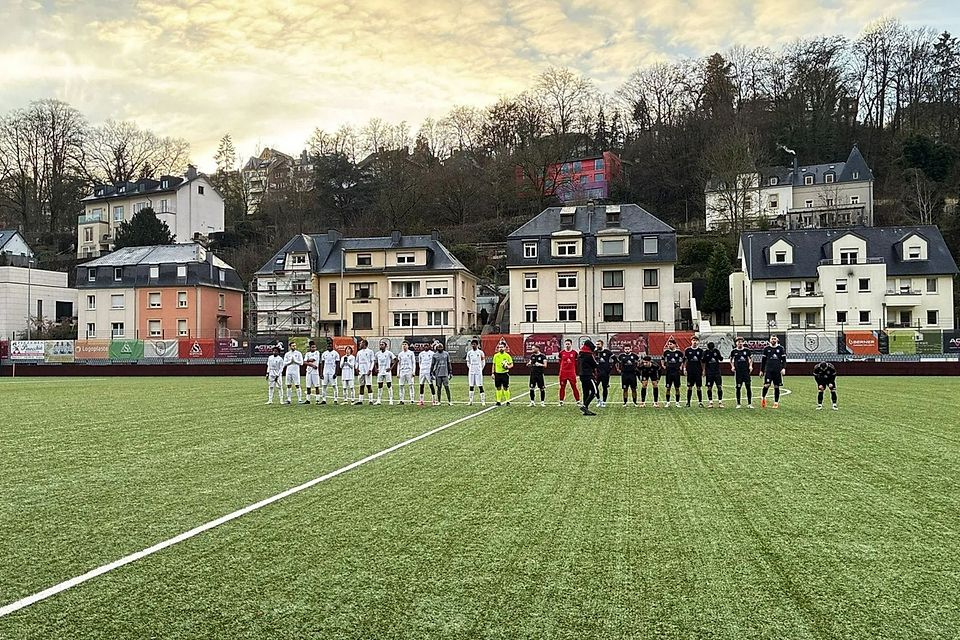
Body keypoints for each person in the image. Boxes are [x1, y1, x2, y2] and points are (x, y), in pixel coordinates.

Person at [760, 335, 786, 409]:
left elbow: (783, 360)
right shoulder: (766, 349)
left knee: (776, 387)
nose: (773, 340)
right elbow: (763, 361)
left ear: (777, 340)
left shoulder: (781, 349)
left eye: (775, 339)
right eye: (772, 339)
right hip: (768, 370)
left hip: (777, 371)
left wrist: (783, 368)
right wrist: (761, 370)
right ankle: (763, 398)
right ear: (770, 340)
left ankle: (776, 403)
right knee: (767, 385)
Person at [729, 336, 754, 409]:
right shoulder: (734, 351)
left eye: (741, 342)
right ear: (736, 343)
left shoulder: (747, 350)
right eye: (738, 342)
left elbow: (751, 358)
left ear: (743, 342)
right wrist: (732, 366)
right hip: (738, 372)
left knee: (748, 387)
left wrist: (750, 366)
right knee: (738, 387)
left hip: (746, 371)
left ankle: (749, 403)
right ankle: (738, 403)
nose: (740, 343)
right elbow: (731, 359)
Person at [683, 336, 705, 408]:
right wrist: (684, 368)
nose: (695, 342)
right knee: (689, 387)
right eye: (693, 340)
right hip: (690, 371)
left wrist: (703, 370)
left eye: (696, 340)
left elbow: (702, 362)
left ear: (698, 342)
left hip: (698, 371)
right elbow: (685, 360)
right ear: (691, 341)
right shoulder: (687, 350)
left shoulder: (701, 351)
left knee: (699, 387)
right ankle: (688, 402)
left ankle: (700, 402)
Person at [578, 340, 598, 416]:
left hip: (582, 375)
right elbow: (595, 365)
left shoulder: (580, 354)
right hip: (588, 375)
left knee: (585, 392)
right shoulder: (589, 355)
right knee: (594, 391)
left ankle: (586, 410)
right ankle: (584, 406)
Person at [558, 339, 581, 406]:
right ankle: (561, 401)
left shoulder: (575, 353)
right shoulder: (562, 353)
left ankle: (578, 401)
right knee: (562, 387)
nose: (567, 345)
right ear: (565, 345)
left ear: (571, 344)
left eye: (568, 344)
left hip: (571, 372)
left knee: (574, 386)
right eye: (566, 344)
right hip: (563, 372)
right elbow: (560, 361)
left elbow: (577, 362)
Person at [662, 338, 683, 407]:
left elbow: (682, 360)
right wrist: (663, 365)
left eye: (670, 344)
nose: (669, 345)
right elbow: (662, 359)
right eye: (668, 344)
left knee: (677, 388)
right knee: (668, 388)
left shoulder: (679, 353)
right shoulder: (666, 352)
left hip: (676, 372)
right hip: (669, 372)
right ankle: (668, 402)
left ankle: (677, 402)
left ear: (675, 345)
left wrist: (681, 366)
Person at [374, 340, 396, 405]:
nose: (381, 346)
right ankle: (378, 400)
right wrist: (375, 368)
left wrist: (391, 368)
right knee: (379, 386)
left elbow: (396, 360)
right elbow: (374, 361)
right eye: (380, 345)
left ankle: (391, 400)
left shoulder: (389, 353)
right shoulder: (377, 353)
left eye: (382, 345)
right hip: (380, 372)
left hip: (387, 372)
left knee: (389, 385)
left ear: (386, 346)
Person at [703, 340, 725, 408]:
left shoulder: (716, 351)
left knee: (719, 386)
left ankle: (720, 402)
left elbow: (721, 359)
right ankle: (710, 402)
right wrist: (704, 371)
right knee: (709, 387)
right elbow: (703, 361)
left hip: (717, 372)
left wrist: (719, 356)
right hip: (709, 372)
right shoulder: (705, 352)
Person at [466, 339, 487, 406]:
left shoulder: (480, 352)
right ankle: (470, 401)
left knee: (480, 385)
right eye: (472, 344)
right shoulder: (469, 353)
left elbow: (483, 362)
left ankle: (483, 401)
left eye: (474, 344)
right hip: (471, 371)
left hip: (478, 371)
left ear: (477, 345)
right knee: (471, 386)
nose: (473, 345)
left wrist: (480, 368)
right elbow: (468, 361)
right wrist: (470, 367)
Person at [355, 339, 376, 405]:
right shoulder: (359, 352)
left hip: (367, 371)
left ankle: (371, 400)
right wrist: (356, 368)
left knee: (368, 385)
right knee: (361, 385)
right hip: (361, 371)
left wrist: (370, 369)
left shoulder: (370, 351)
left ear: (364, 344)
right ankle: (360, 400)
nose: (360, 344)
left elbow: (373, 361)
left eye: (361, 343)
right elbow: (357, 361)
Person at [283, 340, 304, 405]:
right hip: (289, 371)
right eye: (293, 346)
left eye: (295, 346)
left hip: (296, 371)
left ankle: (299, 399)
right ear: (290, 347)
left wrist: (295, 361)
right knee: (288, 385)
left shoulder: (298, 353)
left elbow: (301, 363)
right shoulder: (287, 354)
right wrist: (290, 362)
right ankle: (289, 399)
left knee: (297, 385)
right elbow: (284, 363)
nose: (294, 347)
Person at [594, 339, 614, 408]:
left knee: (604, 387)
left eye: (598, 344)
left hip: (605, 373)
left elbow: (615, 359)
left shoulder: (607, 352)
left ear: (602, 344)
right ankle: (599, 400)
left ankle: (604, 402)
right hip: (597, 373)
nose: (597, 345)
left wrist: (610, 367)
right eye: (596, 344)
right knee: (595, 387)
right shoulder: (594, 352)